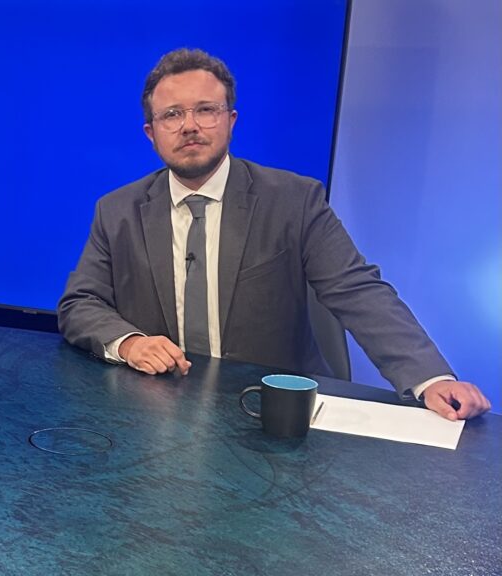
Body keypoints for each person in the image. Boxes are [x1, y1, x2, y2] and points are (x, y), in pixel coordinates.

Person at [57, 48, 490, 422]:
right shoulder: (118, 211)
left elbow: (358, 290)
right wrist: (130, 343)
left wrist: (429, 377)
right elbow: (80, 303)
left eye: (206, 110)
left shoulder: (294, 201)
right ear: (152, 134)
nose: (189, 125)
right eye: (172, 114)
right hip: (162, 413)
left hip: (272, 416)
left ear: (231, 120)